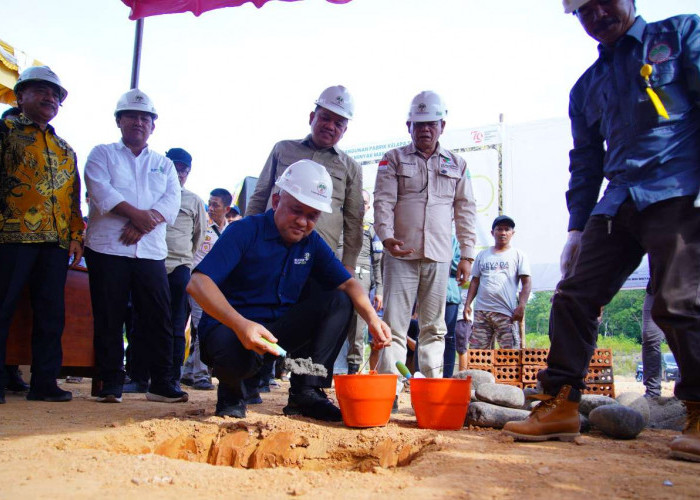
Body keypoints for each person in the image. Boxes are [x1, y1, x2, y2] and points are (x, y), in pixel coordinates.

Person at [504, 0, 700, 463]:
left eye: (603, 3)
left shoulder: (678, 36)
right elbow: (586, 161)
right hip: (618, 203)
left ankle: (698, 409)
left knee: (678, 301)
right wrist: (576, 228)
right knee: (572, 296)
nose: (595, 15)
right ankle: (561, 405)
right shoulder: (586, 87)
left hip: (678, 188)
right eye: (583, 10)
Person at [186, 160, 391, 421]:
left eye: (312, 215)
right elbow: (198, 283)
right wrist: (241, 325)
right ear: (275, 201)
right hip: (232, 330)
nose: (303, 222)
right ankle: (232, 391)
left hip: (276, 334)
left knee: (339, 299)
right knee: (230, 348)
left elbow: (349, 283)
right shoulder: (245, 230)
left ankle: (306, 391)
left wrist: (373, 320)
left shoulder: (311, 243)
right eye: (296, 210)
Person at [84, 89, 187, 404]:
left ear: (153, 126)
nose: (139, 122)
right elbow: (99, 190)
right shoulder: (102, 154)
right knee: (109, 317)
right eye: (131, 115)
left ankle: (161, 383)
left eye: (145, 117)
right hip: (107, 249)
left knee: (158, 317)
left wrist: (144, 222)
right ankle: (111, 383)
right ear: (119, 120)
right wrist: (137, 216)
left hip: (151, 253)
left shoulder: (164, 164)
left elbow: (171, 200)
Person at [373, 90, 477, 395]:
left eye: (431, 123)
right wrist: (386, 236)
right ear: (409, 126)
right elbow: (383, 201)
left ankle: (429, 393)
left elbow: (466, 211)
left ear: (442, 125)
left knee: (435, 328)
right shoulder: (392, 159)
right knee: (393, 327)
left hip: (439, 257)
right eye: (419, 124)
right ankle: (386, 394)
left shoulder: (457, 163)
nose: (425, 130)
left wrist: (468, 256)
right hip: (400, 255)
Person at [0, 66, 84, 404]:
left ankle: (44, 382)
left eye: (55, 95)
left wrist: (76, 235)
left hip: (55, 242)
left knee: (52, 314)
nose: (50, 98)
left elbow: (74, 197)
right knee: (2, 307)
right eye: (41, 91)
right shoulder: (5, 131)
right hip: (11, 235)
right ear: (21, 97)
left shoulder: (65, 148)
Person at [245, 85, 364, 274]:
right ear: (312, 117)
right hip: (270, 247)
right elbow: (260, 195)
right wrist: (247, 237)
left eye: (339, 123)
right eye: (325, 117)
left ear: (345, 130)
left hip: (318, 257)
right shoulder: (282, 149)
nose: (330, 126)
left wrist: (348, 264)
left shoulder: (351, 168)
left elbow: (354, 220)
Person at [181, 188, 233, 391]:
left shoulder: (231, 231)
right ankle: (201, 375)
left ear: (227, 209)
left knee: (202, 326)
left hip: (218, 287)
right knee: (201, 325)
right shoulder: (202, 225)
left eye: (216, 205)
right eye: (209, 204)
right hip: (198, 283)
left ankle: (187, 371)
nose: (210, 208)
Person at [466, 215, 532, 350]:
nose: (503, 233)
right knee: (478, 355)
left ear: (512, 233)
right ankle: (481, 372)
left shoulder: (518, 255)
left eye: (507, 229)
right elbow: (475, 281)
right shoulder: (482, 255)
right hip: (482, 312)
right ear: (492, 232)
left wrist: (522, 306)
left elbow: (526, 282)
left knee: (509, 356)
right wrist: (468, 304)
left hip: (506, 313)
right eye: (499, 229)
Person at [346, 190, 383, 374]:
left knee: (358, 331)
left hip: (362, 283)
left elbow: (378, 263)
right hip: (336, 281)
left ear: (369, 207)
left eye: (365, 202)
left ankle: (353, 371)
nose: (361, 204)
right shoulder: (339, 223)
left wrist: (379, 290)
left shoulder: (371, 229)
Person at [641, 280, 665, 399]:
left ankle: (689, 394)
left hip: (689, 287)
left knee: (685, 338)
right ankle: (652, 391)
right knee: (649, 337)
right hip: (655, 289)